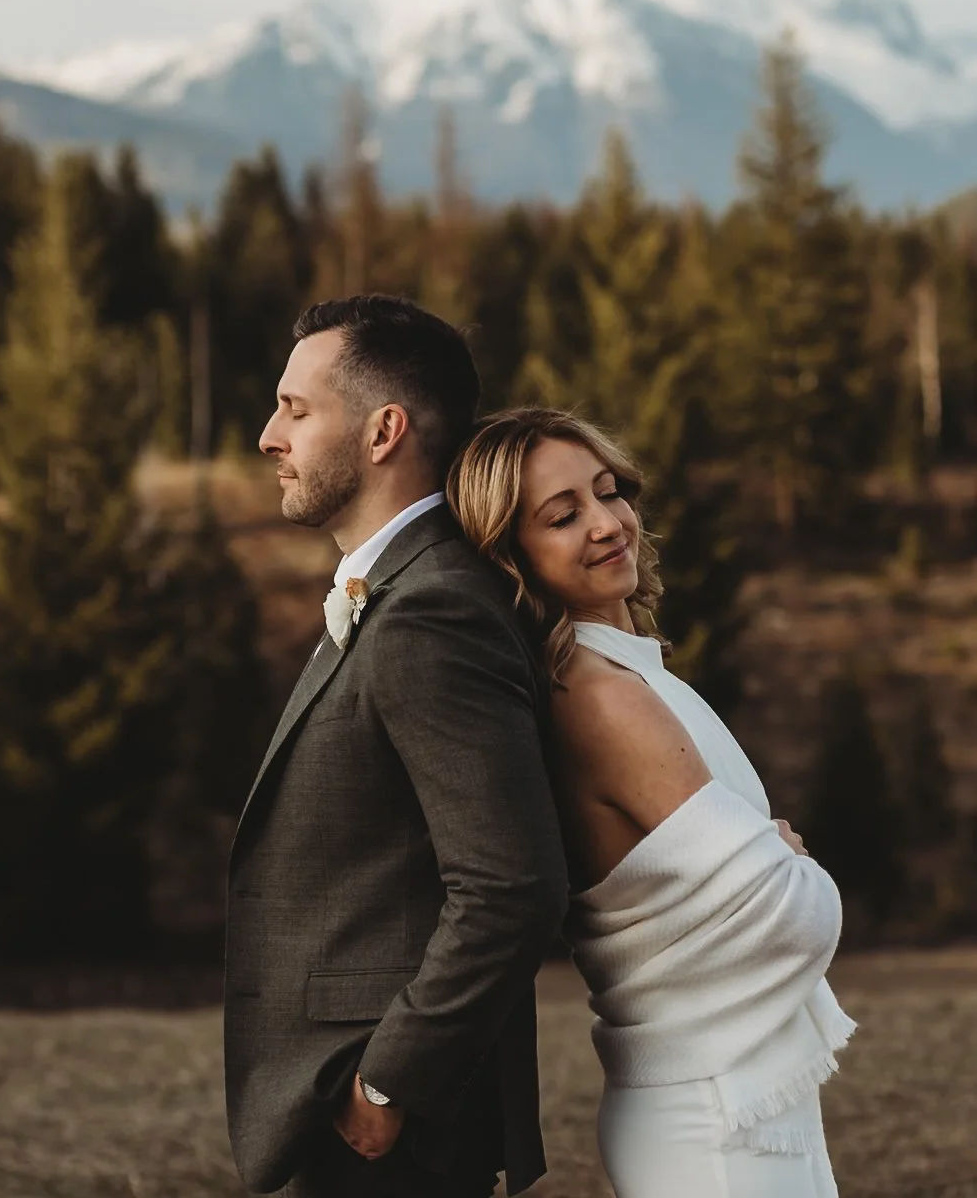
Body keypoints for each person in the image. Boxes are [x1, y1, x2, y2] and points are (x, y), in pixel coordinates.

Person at [449, 406, 856, 1198]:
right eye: (564, 516)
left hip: (738, 1100)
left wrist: (771, 860)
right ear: (512, 558)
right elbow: (795, 917)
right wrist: (784, 857)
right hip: (712, 1122)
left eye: (609, 493)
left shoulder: (631, 674)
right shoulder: (599, 697)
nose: (606, 524)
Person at [226, 298, 568, 1198]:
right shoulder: (400, 588)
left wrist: (388, 1082)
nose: (269, 436)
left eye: (297, 410)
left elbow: (510, 883)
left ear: (384, 431)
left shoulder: (433, 608)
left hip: (394, 1128)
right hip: (349, 1105)